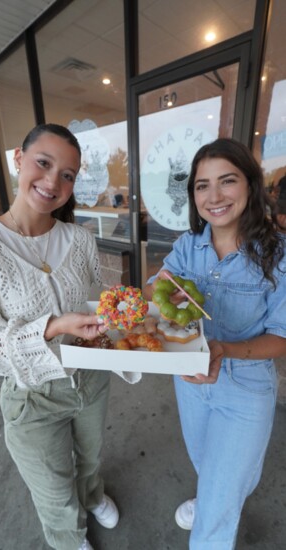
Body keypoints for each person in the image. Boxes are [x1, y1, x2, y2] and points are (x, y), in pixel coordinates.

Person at [0, 123, 120, 550]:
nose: (53, 181)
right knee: (54, 491)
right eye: (44, 163)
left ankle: (92, 496)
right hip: (32, 396)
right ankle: (69, 538)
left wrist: (121, 316)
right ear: (18, 161)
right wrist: (52, 327)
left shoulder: (79, 238)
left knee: (90, 459)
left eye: (68, 175)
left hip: (91, 380)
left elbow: (97, 302)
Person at [144, 138, 286, 549]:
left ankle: (216, 504)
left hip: (245, 387)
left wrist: (224, 350)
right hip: (190, 382)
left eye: (227, 181)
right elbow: (160, 285)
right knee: (208, 463)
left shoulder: (277, 255)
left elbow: (281, 337)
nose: (214, 196)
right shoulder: (190, 244)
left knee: (219, 509)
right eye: (202, 186)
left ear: (251, 185)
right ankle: (213, 492)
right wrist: (157, 290)